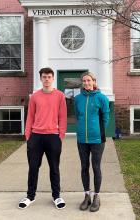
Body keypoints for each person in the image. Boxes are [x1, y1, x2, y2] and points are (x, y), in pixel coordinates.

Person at [18, 67, 67, 210]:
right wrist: (28, 135)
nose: (46, 79)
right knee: (33, 168)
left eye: (49, 77)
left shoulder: (60, 96)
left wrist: (61, 135)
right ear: (40, 79)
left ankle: (56, 196)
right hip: (36, 137)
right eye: (44, 77)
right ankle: (30, 196)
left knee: (54, 168)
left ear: (53, 79)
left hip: (53, 136)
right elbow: (30, 117)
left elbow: (63, 117)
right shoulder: (35, 96)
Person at [74, 72, 109, 212]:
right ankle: (87, 196)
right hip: (82, 139)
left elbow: (106, 117)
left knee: (96, 167)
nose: (86, 83)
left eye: (89, 80)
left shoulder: (102, 98)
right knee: (84, 167)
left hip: (97, 139)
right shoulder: (77, 99)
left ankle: (96, 196)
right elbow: (77, 115)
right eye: (84, 81)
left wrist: (99, 132)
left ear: (94, 81)